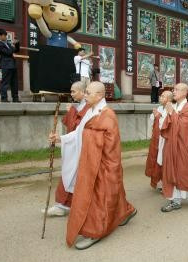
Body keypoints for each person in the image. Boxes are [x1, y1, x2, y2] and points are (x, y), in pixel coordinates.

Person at [49, 82, 136, 249]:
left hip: (102, 164)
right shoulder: (90, 111)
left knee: (98, 198)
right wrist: (61, 138)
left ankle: (94, 231)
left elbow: (107, 144)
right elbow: (80, 133)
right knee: (111, 193)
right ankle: (124, 212)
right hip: (91, 161)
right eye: (86, 92)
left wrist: (87, 138)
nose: (86, 95)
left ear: (99, 96)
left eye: (88, 93)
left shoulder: (107, 115)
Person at [43, 81, 90, 217]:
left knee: (73, 175)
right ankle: (63, 204)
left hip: (82, 147)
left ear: (83, 92)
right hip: (74, 144)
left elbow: (81, 127)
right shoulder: (81, 106)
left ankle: (70, 205)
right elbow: (77, 127)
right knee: (69, 174)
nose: (71, 94)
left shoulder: (88, 107)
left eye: (74, 91)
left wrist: (72, 112)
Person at [160, 83, 188, 212]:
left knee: (187, 172)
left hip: (184, 146)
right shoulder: (174, 106)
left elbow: (183, 128)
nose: (174, 92)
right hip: (172, 145)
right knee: (172, 172)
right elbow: (167, 125)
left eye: (177, 90)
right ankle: (175, 200)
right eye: (174, 89)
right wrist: (170, 113)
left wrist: (171, 113)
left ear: (185, 93)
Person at [145, 90, 172, 191]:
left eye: (163, 96)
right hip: (157, 139)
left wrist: (158, 116)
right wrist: (155, 116)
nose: (160, 97)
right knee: (155, 158)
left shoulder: (172, 108)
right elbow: (153, 121)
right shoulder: (160, 108)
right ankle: (159, 181)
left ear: (169, 99)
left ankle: (166, 182)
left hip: (165, 139)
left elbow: (168, 123)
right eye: (160, 96)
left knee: (163, 160)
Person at [0, 28, 20, 103]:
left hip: (13, 65)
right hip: (6, 65)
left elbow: (16, 50)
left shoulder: (8, 44)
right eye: (4, 35)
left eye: (6, 35)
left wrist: (17, 44)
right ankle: (4, 98)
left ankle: (15, 98)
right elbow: (8, 52)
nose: (5, 37)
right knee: (5, 82)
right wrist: (13, 45)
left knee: (14, 83)